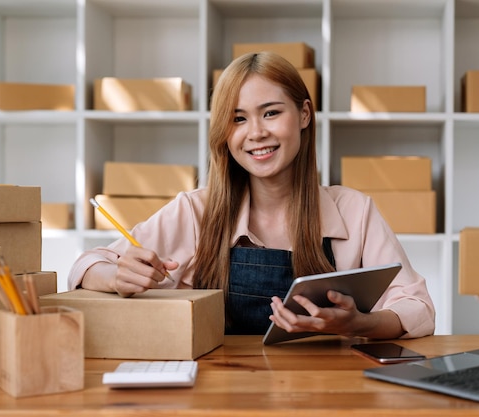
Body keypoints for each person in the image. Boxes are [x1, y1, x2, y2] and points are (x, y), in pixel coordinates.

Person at [68, 51, 436, 338]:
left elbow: (417, 307)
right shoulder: (197, 210)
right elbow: (87, 266)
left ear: (304, 114)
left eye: (271, 112)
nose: (256, 132)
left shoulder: (354, 210)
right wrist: (116, 276)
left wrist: (360, 324)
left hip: (328, 394)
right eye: (238, 118)